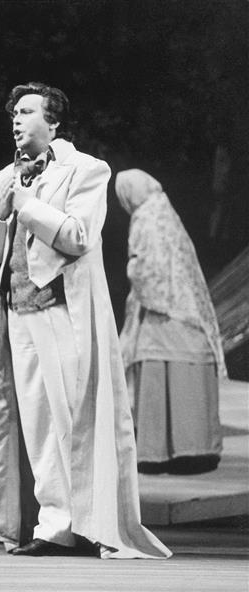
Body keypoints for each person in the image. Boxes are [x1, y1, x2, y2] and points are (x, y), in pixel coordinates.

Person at [0, 82, 170, 558]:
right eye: (14, 113)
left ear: (54, 121)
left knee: (72, 420)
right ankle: (54, 525)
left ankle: (88, 524)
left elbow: (79, 236)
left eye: (27, 111)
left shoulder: (87, 169)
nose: (16, 120)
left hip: (62, 309)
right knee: (38, 424)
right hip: (19, 310)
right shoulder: (4, 176)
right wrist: (1, 208)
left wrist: (27, 206)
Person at [116, 169, 225, 475]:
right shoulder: (163, 210)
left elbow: (147, 266)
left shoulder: (145, 217)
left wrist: (133, 271)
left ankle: (158, 451)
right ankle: (197, 449)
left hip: (162, 314)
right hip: (189, 312)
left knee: (153, 358)